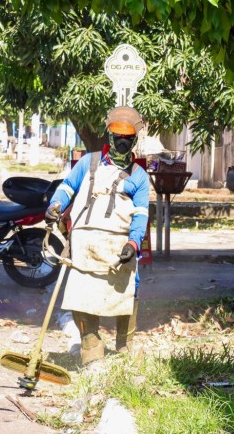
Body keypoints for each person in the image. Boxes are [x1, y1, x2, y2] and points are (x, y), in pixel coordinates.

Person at [45, 106, 150, 365]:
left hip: (118, 246)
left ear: (134, 140)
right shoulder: (88, 163)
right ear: (109, 137)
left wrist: (133, 243)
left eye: (128, 138)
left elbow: (141, 215)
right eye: (118, 137)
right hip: (84, 244)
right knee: (81, 293)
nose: (122, 142)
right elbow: (67, 188)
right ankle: (90, 346)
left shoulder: (139, 177)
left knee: (127, 292)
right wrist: (55, 206)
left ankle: (125, 347)